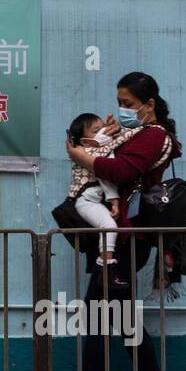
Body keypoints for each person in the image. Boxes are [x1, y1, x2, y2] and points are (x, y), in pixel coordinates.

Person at [53, 72, 182, 371]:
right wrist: (107, 136)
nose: (121, 109)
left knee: (97, 315)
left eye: (127, 104)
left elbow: (124, 170)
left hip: (125, 240)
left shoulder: (155, 136)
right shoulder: (140, 133)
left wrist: (84, 158)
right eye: (119, 103)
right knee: (124, 319)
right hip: (125, 237)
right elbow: (116, 156)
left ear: (149, 105)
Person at [66, 112, 141, 287]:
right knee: (108, 226)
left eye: (103, 127)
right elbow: (105, 177)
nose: (104, 132)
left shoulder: (96, 150)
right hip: (86, 201)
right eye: (96, 130)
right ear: (85, 141)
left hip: (92, 201)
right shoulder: (91, 151)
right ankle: (106, 272)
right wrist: (114, 200)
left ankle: (104, 272)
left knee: (106, 229)